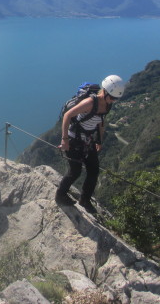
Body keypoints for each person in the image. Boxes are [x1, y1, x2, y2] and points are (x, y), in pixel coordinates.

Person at [55, 75, 125, 214]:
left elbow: (101, 121)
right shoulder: (90, 102)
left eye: (116, 99)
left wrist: (99, 140)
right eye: (112, 97)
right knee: (75, 171)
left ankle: (85, 200)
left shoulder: (107, 104)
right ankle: (60, 195)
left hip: (87, 139)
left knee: (94, 170)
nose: (114, 101)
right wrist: (64, 140)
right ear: (105, 91)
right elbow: (67, 115)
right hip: (73, 138)